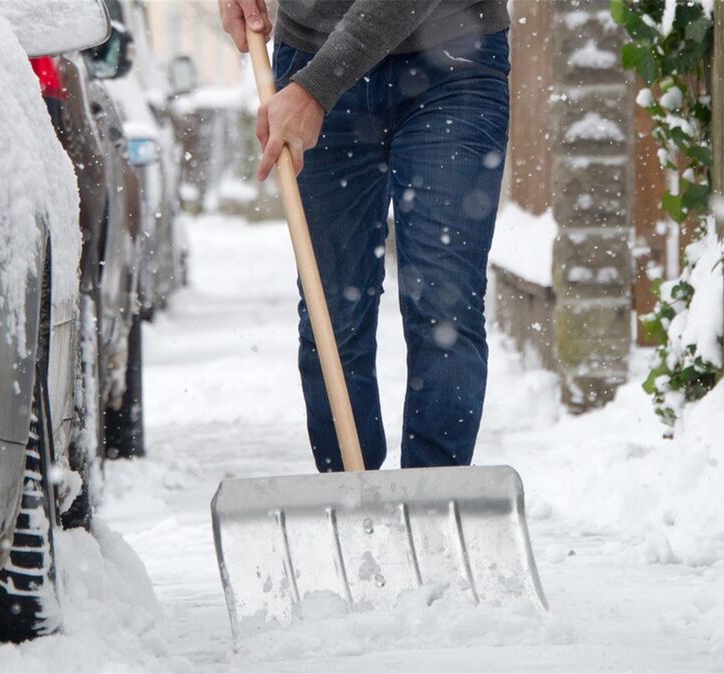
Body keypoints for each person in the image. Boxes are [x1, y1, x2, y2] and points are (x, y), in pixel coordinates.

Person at [219, 0, 511, 472]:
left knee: (445, 306)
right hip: (311, 53)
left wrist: (316, 88)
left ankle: (433, 499)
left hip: (453, 62)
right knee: (331, 314)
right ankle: (351, 497)